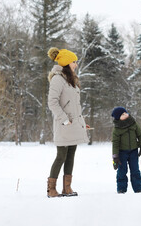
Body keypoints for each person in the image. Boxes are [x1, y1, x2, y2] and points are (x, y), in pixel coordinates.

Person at [46, 47, 89, 198]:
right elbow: (52, 102)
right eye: (74, 62)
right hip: (64, 124)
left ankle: (67, 188)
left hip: (74, 124)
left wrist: (82, 123)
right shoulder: (58, 79)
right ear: (66, 63)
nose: (76, 64)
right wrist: (64, 120)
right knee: (61, 156)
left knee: (71, 156)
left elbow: (74, 105)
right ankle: (51, 189)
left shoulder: (71, 79)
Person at [111, 107, 141, 194]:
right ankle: (121, 190)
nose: (125, 114)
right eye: (122, 114)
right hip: (122, 153)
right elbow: (115, 143)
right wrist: (115, 157)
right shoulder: (117, 129)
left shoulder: (133, 123)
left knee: (135, 170)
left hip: (133, 151)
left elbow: (140, 135)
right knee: (121, 171)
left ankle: (139, 189)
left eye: (125, 113)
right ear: (118, 117)